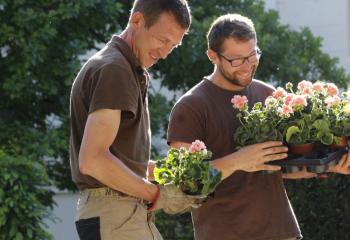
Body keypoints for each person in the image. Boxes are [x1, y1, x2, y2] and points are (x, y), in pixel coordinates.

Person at [167, 13, 350, 240]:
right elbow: (184, 182)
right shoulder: (191, 107)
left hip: (282, 231)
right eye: (236, 60)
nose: (247, 66)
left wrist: (328, 165)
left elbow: (283, 166)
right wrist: (237, 161)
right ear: (212, 56)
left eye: (252, 55)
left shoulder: (268, 95)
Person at [70, 1, 202, 239]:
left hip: (120, 213)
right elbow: (93, 160)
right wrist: (157, 195)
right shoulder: (115, 69)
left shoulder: (124, 67)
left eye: (173, 45)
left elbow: (121, 159)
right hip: (115, 213)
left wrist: (170, 175)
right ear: (137, 21)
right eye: (162, 40)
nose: (164, 53)